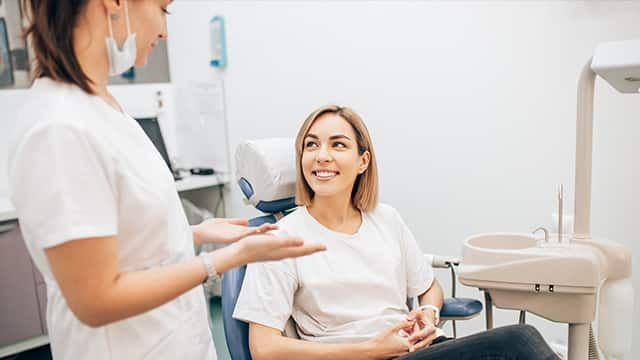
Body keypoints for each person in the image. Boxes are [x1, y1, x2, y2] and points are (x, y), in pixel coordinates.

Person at [8, 1, 325, 359]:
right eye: (163, 9)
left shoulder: (103, 107)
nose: (164, 31)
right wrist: (222, 259)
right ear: (114, 4)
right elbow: (95, 299)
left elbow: (121, 244)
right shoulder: (59, 127)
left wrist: (194, 233)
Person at [233, 105, 560, 360]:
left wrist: (429, 314)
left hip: (416, 349)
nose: (322, 156)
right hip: (361, 357)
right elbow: (264, 349)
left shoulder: (385, 219)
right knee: (520, 341)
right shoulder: (279, 239)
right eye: (311, 145)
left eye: (338, 145)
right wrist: (371, 350)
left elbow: (428, 287)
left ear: (363, 161)